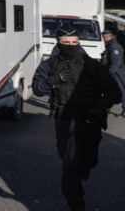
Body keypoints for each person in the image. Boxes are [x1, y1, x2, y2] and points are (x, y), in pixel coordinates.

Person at [33, 25, 122, 211]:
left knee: (88, 162)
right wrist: (52, 80)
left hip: (90, 122)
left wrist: (100, 107)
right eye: (66, 43)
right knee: (69, 167)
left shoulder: (91, 65)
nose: (71, 46)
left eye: (74, 42)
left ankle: (81, 171)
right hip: (65, 122)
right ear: (58, 43)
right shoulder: (49, 65)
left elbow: (114, 91)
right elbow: (36, 89)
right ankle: (77, 205)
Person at [101, 29, 125, 117]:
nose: (103, 38)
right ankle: (106, 107)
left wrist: (108, 73)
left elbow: (115, 63)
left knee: (122, 91)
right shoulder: (110, 45)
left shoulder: (114, 46)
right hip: (114, 72)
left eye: (103, 37)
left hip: (117, 73)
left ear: (105, 37)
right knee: (111, 90)